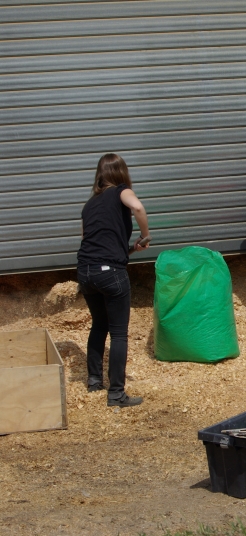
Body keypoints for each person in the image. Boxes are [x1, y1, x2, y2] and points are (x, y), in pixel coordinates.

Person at [76, 154, 151, 407]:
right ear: (121, 173)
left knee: (99, 325)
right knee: (119, 334)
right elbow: (138, 207)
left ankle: (94, 381)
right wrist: (146, 235)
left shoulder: (89, 205)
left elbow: (90, 241)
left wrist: (132, 249)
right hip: (110, 273)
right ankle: (116, 393)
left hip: (86, 272)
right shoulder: (121, 191)